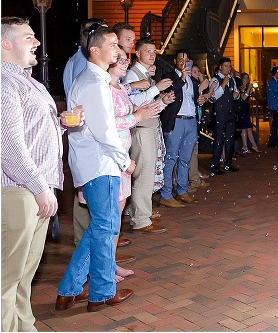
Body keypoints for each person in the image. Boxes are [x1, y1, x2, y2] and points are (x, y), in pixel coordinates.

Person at [1, 17, 79, 331]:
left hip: (35, 188)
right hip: (19, 189)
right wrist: (39, 188)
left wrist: (61, 124)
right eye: (28, 37)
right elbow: (9, 147)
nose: (37, 43)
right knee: (7, 277)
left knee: (24, 275)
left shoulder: (27, 82)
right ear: (5, 43)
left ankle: (24, 326)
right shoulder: (5, 83)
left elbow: (31, 134)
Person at [55, 24, 135, 312]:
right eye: (112, 45)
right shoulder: (94, 82)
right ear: (95, 49)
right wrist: (125, 161)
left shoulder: (89, 79)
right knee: (105, 228)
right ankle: (101, 292)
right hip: (101, 163)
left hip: (93, 162)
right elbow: (105, 130)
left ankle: (70, 289)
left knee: (100, 227)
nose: (117, 50)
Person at [103, 47, 160, 280]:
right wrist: (137, 116)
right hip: (111, 160)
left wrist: (141, 110)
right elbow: (106, 126)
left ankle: (110, 263)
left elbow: (129, 111)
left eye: (126, 59)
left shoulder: (120, 88)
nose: (125, 62)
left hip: (123, 158)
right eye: (120, 59)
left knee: (115, 218)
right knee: (106, 221)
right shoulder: (103, 88)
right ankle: (101, 271)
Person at [124, 38, 174, 224]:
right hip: (141, 129)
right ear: (137, 53)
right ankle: (141, 219)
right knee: (143, 173)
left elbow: (149, 106)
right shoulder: (132, 75)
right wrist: (156, 88)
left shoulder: (146, 75)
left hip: (150, 126)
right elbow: (133, 103)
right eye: (148, 51)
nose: (152, 55)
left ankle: (139, 210)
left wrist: (162, 102)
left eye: (154, 52)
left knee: (148, 172)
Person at [159, 50, 203, 205]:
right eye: (181, 60)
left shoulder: (193, 80)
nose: (184, 63)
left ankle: (182, 191)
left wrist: (200, 100)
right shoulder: (169, 77)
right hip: (176, 121)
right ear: (175, 61)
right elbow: (170, 93)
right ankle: (166, 195)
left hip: (191, 121)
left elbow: (192, 100)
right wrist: (182, 78)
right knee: (170, 158)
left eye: (187, 60)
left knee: (185, 158)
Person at [210, 57, 240, 173]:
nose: (228, 68)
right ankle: (215, 166)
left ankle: (228, 163)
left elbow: (236, 93)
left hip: (230, 113)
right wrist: (223, 84)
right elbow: (213, 97)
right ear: (220, 67)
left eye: (229, 66)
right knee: (219, 139)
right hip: (220, 113)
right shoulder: (215, 80)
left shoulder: (232, 79)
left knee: (230, 139)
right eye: (226, 66)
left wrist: (236, 95)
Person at [237, 72, 260, 153]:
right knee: (247, 127)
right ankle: (253, 146)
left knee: (246, 128)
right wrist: (248, 90)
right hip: (242, 109)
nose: (247, 79)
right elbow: (243, 98)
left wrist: (249, 89)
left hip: (245, 108)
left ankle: (245, 146)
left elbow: (249, 95)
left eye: (247, 78)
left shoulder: (246, 87)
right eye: (245, 78)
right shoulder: (240, 88)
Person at [266, 67, 278, 149]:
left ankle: (274, 141)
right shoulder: (273, 81)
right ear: (276, 73)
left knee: (275, 124)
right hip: (275, 105)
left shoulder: (272, 81)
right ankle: (272, 142)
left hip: (275, 104)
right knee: (275, 124)